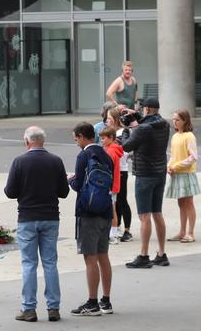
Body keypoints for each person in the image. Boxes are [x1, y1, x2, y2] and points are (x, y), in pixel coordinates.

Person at [4, 126, 70, 323]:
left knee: (29, 264)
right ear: (44, 141)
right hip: (50, 217)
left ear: (27, 142)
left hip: (27, 218)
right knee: (50, 263)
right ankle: (53, 308)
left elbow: (10, 192)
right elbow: (64, 192)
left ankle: (29, 308)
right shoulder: (55, 161)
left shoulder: (19, 161)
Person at [69, 122, 114, 316]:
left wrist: (70, 179)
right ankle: (106, 300)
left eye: (76, 138)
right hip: (105, 209)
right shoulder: (106, 154)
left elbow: (78, 185)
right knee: (103, 256)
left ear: (81, 136)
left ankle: (92, 302)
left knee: (90, 257)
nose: (76, 142)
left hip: (88, 212)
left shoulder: (84, 155)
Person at [121, 98, 170, 269]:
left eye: (142, 109)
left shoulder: (142, 128)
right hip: (160, 173)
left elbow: (126, 146)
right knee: (157, 212)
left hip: (144, 174)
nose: (140, 110)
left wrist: (126, 129)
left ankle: (144, 255)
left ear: (148, 109)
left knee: (144, 216)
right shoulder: (164, 124)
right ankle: (162, 254)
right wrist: (136, 118)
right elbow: (147, 126)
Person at [165, 109, 201, 243]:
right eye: (173, 119)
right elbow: (173, 155)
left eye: (177, 120)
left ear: (185, 121)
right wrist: (169, 166)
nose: (174, 122)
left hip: (186, 173)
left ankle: (190, 232)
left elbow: (193, 157)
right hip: (177, 172)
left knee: (189, 203)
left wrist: (177, 166)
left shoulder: (189, 136)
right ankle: (182, 231)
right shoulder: (175, 136)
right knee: (181, 203)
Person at [105, 108, 133, 242]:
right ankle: (117, 227)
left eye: (109, 118)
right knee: (114, 202)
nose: (106, 121)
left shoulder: (123, 132)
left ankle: (127, 230)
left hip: (121, 169)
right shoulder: (109, 132)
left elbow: (125, 146)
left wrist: (112, 141)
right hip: (111, 168)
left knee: (122, 200)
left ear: (116, 119)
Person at [99, 127, 123, 245]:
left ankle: (113, 234)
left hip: (110, 185)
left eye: (103, 138)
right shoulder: (112, 150)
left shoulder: (110, 152)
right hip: (113, 184)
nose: (101, 141)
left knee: (111, 209)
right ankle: (111, 233)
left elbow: (107, 169)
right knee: (111, 208)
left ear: (111, 138)